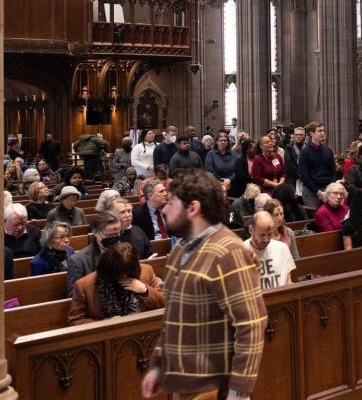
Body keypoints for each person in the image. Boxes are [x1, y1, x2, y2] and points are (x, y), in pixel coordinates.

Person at [140, 169, 267, 399]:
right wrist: (159, 365)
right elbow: (175, 317)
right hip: (184, 383)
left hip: (213, 388)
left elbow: (251, 324)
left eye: (171, 203)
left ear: (193, 208)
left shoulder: (229, 251)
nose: (164, 209)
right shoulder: (180, 249)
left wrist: (240, 391)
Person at [67, 242, 164, 326]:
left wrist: (145, 290)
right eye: (120, 274)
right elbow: (75, 320)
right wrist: (104, 323)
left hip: (142, 331)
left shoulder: (146, 271)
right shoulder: (84, 285)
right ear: (108, 269)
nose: (124, 277)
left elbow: (162, 305)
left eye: (128, 273)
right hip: (106, 338)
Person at [66, 211, 124, 296]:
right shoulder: (78, 261)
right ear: (96, 233)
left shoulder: (126, 252)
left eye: (117, 234)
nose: (114, 239)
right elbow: (74, 295)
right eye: (109, 236)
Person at [244, 211, 296, 288]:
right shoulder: (240, 251)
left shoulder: (282, 248)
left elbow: (288, 281)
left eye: (269, 234)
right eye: (262, 235)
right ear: (251, 230)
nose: (266, 240)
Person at [299, 121, 336, 207]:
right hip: (311, 191)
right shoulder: (305, 152)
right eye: (319, 131)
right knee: (315, 218)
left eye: (323, 130)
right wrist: (318, 192)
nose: (323, 133)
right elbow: (304, 176)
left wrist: (329, 189)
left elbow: (333, 172)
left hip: (327, 189)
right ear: (312, 133)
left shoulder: (328, 150)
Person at [283, 126, 306, 193]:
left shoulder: (308, 147)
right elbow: (288, 163)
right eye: (296, 135)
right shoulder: (288, 147)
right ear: (294, 135)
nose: (298, 136)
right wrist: (299, 175)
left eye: (300, 135)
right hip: (293, 178)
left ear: (304, 136)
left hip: (306, 178)